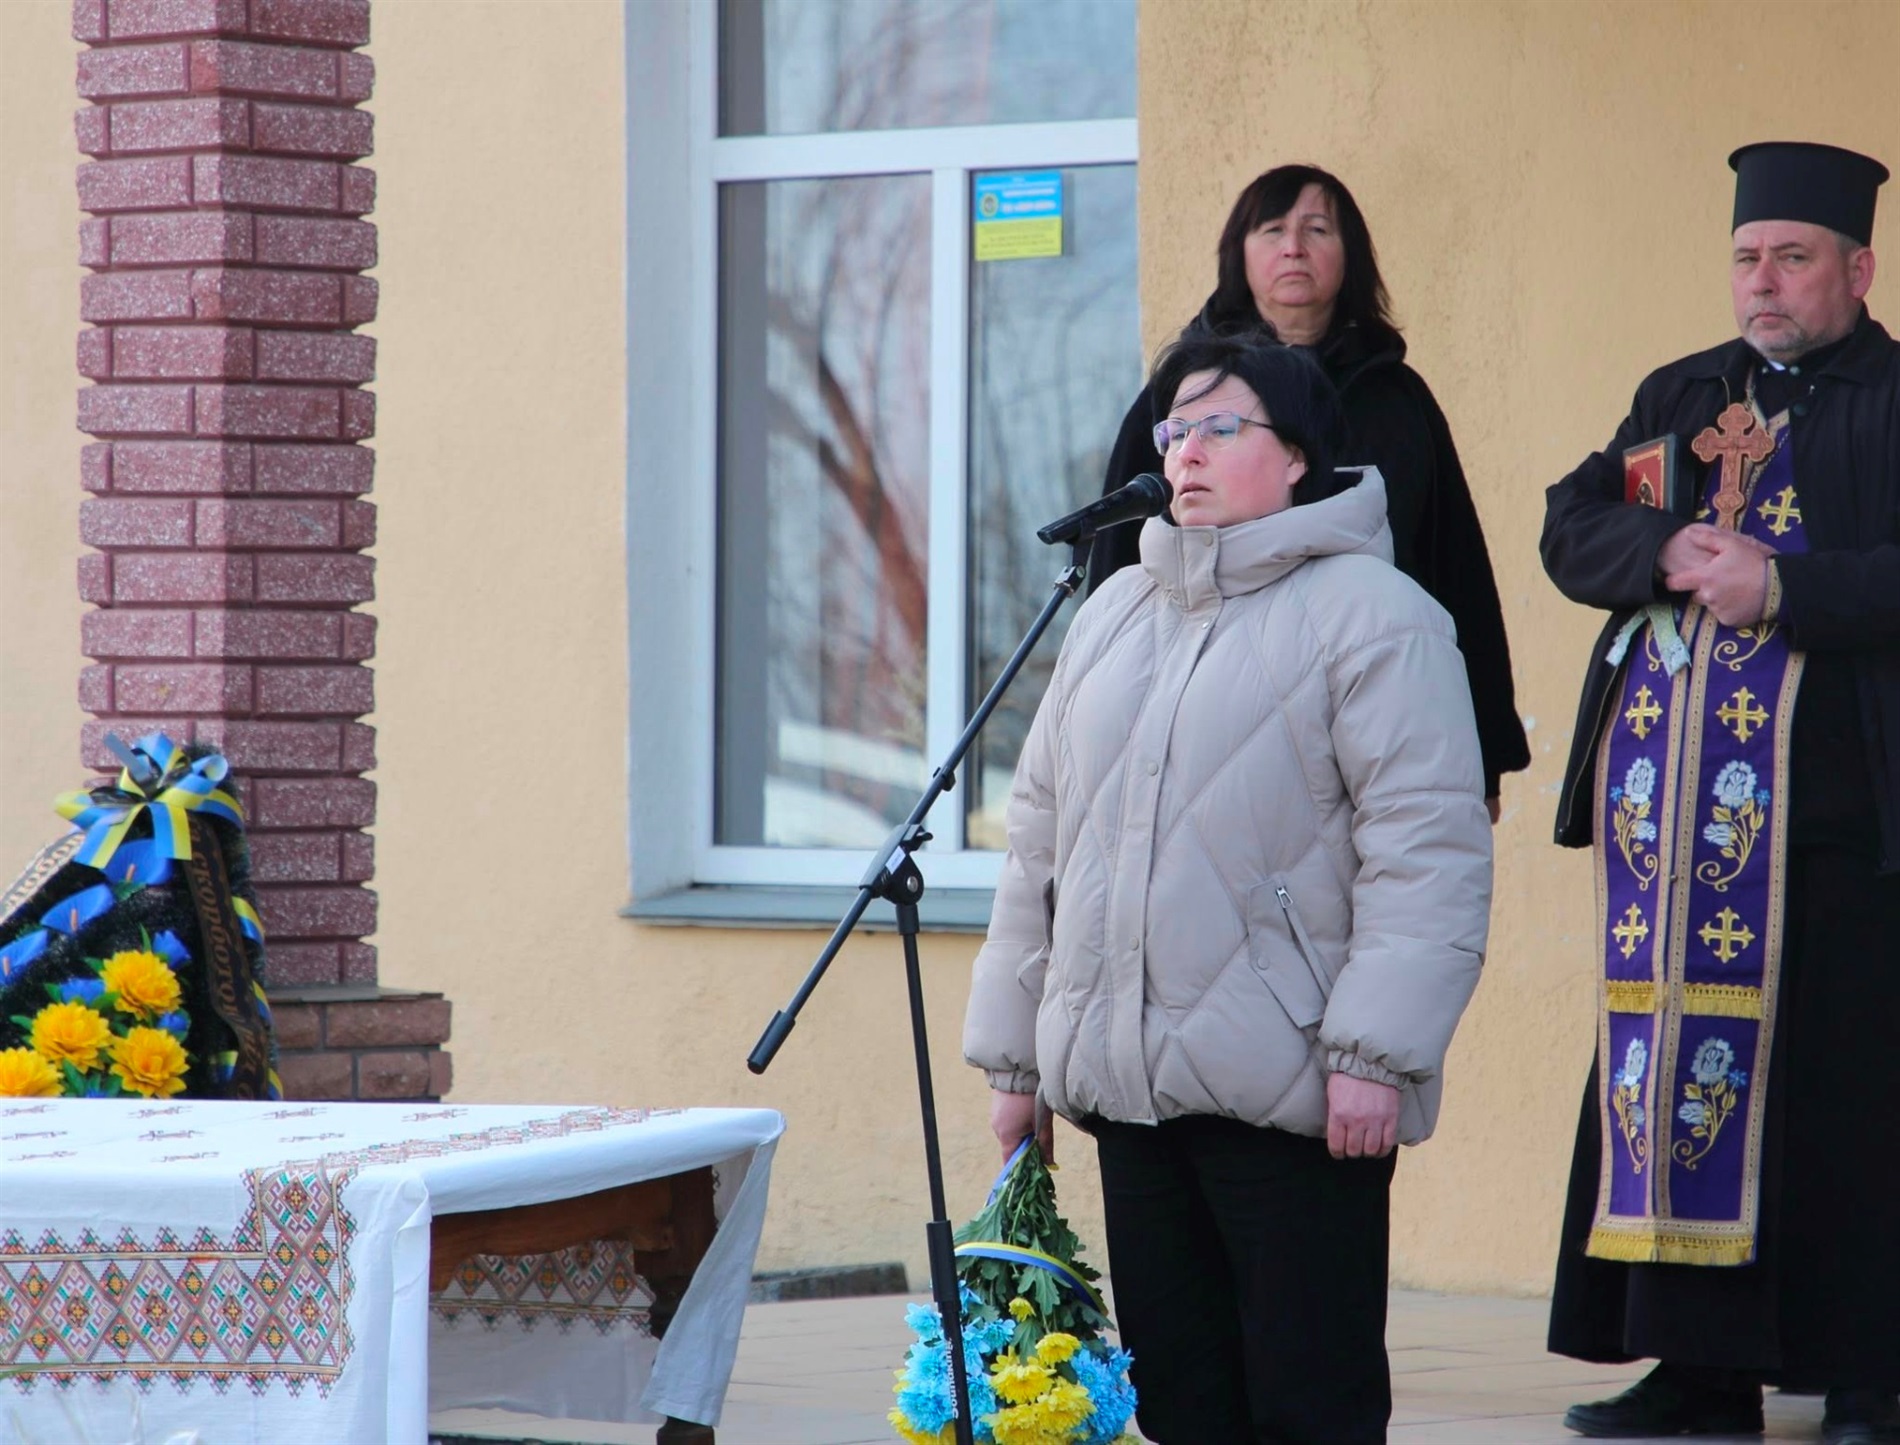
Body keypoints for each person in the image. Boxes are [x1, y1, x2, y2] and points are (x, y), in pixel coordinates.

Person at [963, 330, 1493, 1444]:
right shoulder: (1112, 612)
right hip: (1128, 1089)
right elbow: (1040, 849)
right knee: (1185, 1404)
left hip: (1296, 1090)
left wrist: (1374, 1054)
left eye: (1220, 425)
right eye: (1172, 428)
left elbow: (1427, 855)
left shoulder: (1377, 616)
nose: (1186, 450)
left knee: (1310, 1403)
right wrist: (1018, 1061)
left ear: (1297, 454)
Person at [1541, 142, 1900, 1445]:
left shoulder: (1895, 399)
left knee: (1853, 1104)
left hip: (1848, 825)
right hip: (1678, 841)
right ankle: (1696, 1372)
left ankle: (1871, 1379)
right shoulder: (1685, 391)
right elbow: (1569, 521)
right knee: (1680, 1078)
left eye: (1793, 258)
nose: (1765, 283)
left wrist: (1787, 590)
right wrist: (1664, 546)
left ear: (1857, 269)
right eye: (1749, 258)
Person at [1086, 164, 1528, 819]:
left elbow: (1453, 568)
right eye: (1272, 229)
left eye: (1317, 228)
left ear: (1350, 257)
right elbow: (1121, 562)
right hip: (1213, 730)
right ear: (1240, 254)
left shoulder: (1398, 401)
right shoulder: (1180, 401)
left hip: (1382, 712)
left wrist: (1483, 750)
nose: (1293, 246)